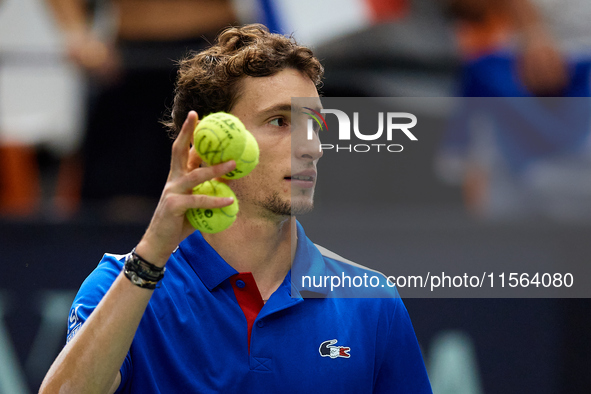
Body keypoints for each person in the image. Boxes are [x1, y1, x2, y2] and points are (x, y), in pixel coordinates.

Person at [39, 24, 432, 393]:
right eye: (280, 121)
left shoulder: (373, 300)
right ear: (207, 144)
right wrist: (151, 257)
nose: (311, 146)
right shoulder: (120, 284)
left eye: (315, 125)